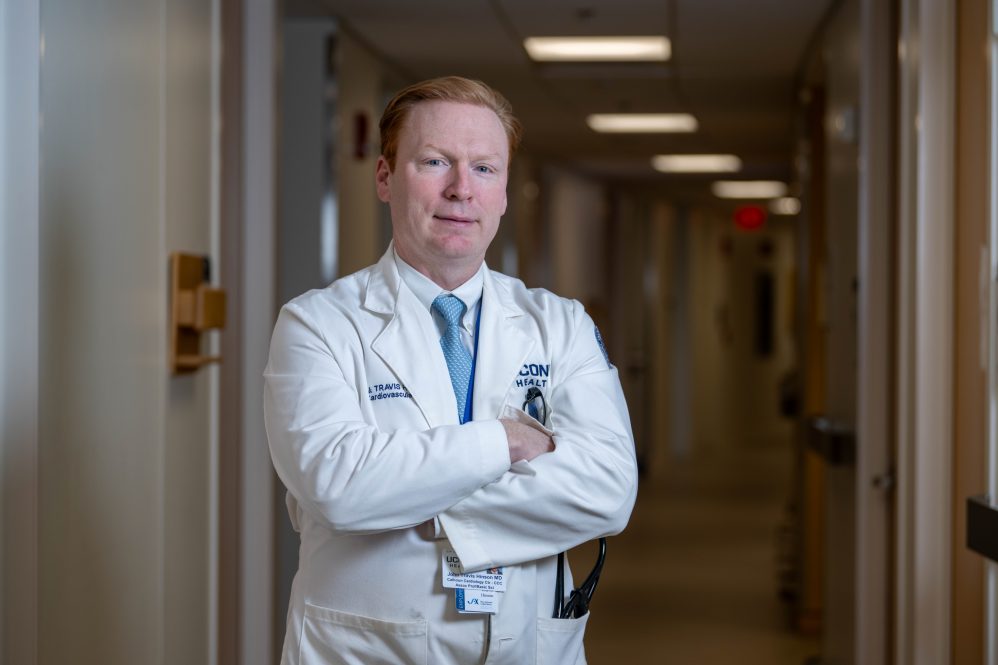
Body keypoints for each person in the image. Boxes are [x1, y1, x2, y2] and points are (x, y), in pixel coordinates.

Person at [264, 75, 638, 665]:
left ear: (506, 191)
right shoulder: (318, 326)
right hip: (368, 649)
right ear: (385, 178)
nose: (462, 189)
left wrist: (405, 497)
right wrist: (504, 443)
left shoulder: (560, 325)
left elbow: (609, 492)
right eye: (435, 162)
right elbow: (338, 487)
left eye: (485, 168)